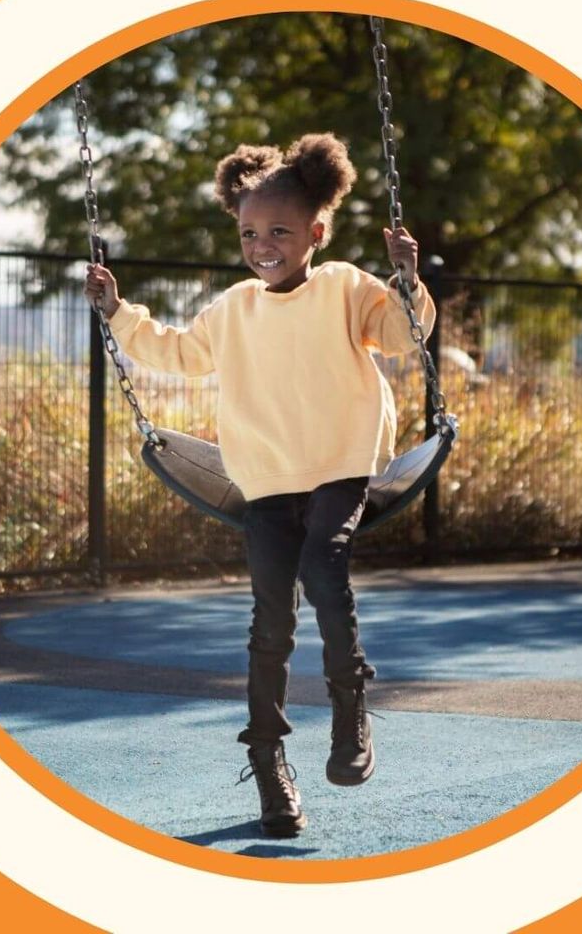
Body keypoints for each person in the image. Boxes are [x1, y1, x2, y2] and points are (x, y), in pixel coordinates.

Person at [83, 133, 434, 838]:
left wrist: (408, 279)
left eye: (279, 231)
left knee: (323, 568)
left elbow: (403, 335)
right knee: (269, 620)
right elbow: (177, 354)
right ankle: (271, 766)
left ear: (316, 232)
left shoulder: (345, 288)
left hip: (341, 464)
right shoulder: (232, 308)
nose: (262, 244)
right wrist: (119, 311)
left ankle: (348, 714)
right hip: (266, 476)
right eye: (250, 232)